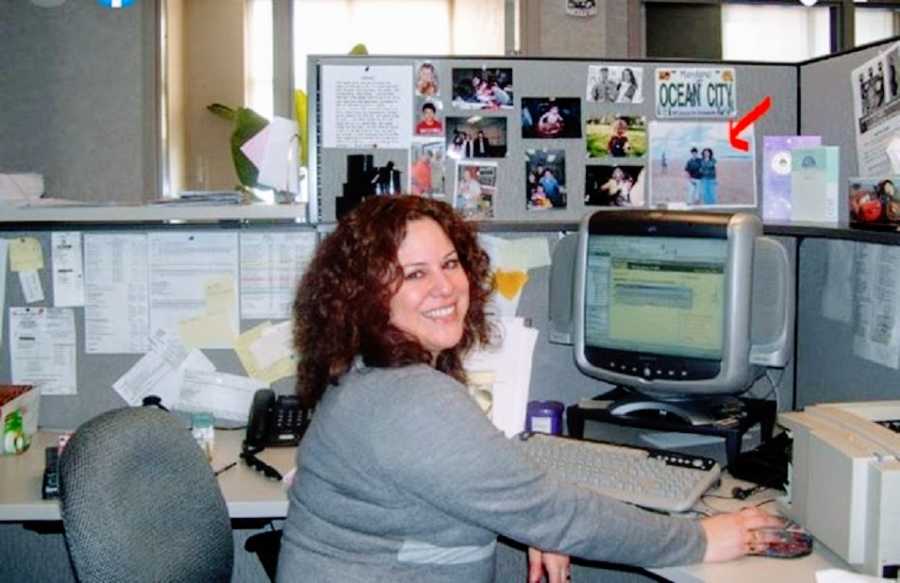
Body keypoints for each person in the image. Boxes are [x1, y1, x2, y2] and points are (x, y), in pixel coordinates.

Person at [277, 195, 783, 583]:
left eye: (450, 264)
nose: (445, 288)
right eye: (414, 274)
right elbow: (554, 511)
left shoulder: (367, 375)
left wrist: (537, 521)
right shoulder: (411, 402)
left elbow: (513, 492)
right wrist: (699, 538)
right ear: (365, 296)